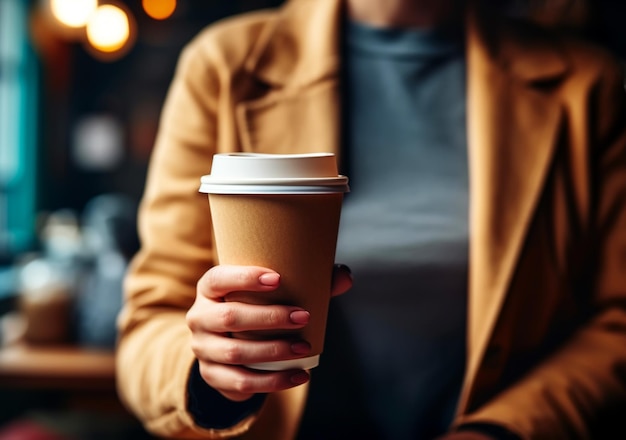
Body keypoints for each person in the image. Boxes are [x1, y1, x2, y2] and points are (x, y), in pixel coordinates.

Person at [115, 0, 626, 438]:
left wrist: (503, 430)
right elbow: (148, 325)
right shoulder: (225, 68)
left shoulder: (586, 88)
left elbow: (615, 322)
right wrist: (212, 376)